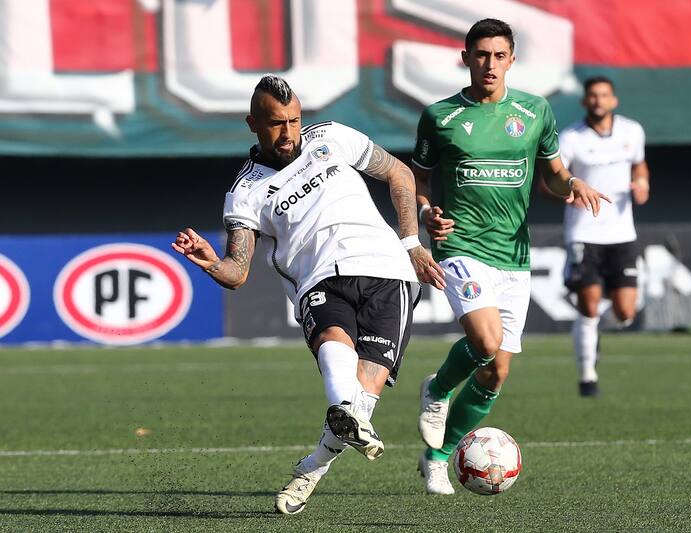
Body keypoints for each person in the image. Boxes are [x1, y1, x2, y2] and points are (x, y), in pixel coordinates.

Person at [171, 74, 445, 514]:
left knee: (363, 396)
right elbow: (237, 272)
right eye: (277, 123)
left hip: (387, 270)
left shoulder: (332, 137)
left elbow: (399, 172)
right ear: (252, 124)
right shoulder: (245, 192)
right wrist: (209, 260)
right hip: (319, 278)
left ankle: (312, 468)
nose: (288, 132)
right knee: (334, 353)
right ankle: (341, 416)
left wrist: (411, 243)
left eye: (295, 120)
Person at [411, 19, 610, 494]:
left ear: (512, 60)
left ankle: (438, 457)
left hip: (514, 255)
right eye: (481, 55)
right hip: (461, 247)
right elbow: (415, 179)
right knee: (484, 341)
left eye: (499, 56)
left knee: (496, 370)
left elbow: (554, 174)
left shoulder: (535, 111)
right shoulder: (440, 116)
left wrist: (573, 183)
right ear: (466, 58)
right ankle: (437, 390)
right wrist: (424, 212)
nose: (490, 64)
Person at [557, 76, 650, 397]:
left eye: (604, 95)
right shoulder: (571, 138)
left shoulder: (632, 131)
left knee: (625, 313)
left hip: (622, 232)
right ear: (585, 102)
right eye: (592, 96)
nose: (598, 101)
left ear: (614, 100)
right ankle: (587, 375)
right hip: (584, 232)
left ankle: (592, 333)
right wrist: (564, 191)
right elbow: (554, 178)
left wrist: (642, 185)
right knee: (589, 304)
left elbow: (640, 167)